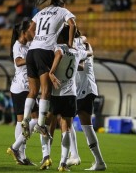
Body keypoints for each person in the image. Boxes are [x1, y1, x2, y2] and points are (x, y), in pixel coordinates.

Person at [21, 0, 76, 142]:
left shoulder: (42, 12)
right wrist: (70, 44)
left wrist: (37, 40)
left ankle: (25, 120)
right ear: (62, 3)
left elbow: (30, 30)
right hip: (45, 51)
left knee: (32, 90)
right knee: (46, 90)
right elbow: (72, 25)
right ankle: (39, 124)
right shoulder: (63, 11)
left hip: (32, 51)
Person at [48, 25, 92, 171]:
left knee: (50, 124)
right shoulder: (78, 51)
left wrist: (51, 73)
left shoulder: (58, 48)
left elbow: (56, 55)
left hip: (56, 93)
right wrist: (86, 45)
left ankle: (45, 156)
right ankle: (63, 163)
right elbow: (90, 53)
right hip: (71, 94)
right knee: (66, 128)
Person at [66, 31, 107, 171]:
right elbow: (83, 39)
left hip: (83, 90)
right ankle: (98, 161)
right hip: (85, 89)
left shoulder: (78, 45)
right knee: (79, 125)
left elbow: (81, 66)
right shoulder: (82, 43)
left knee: (68, 122)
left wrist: (65, 64)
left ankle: (76, 155)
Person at [6, 20, 38, 166]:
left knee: (28, 121)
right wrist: (32, 59)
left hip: (28, 88)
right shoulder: (18, 46)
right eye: (31, 31)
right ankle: (19, 151)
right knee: (32, 120)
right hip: (21, 88)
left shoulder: (29, 44)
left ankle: (19, 153)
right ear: (24, 32)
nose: (34, 33)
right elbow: (18, 62)